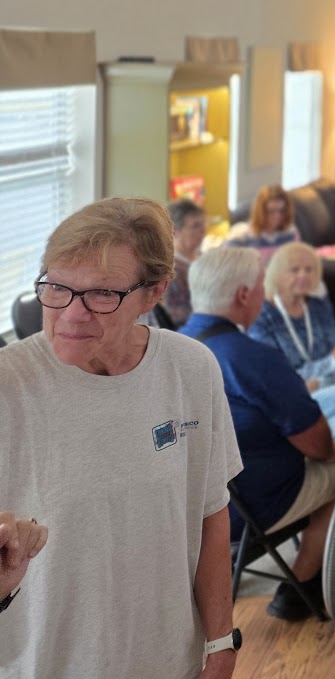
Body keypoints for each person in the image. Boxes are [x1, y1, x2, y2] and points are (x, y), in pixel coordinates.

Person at [0, 197, 242, 678]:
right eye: (57, 287)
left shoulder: (191, 369)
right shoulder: (9, 387)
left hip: (171, 662)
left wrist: (221, 643)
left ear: (153, 294)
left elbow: (210, 512)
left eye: (101, 294)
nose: (72, 314)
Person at [181, 247, 335, 621]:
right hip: (246, 506)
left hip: (183, 511)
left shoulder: (167, 352)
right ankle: (300, 587)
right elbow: (317, 443)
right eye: (262, 285)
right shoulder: (255, 358)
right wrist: (334, 452)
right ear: (244, 295)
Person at [248, 241, 335, 444]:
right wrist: (329, 364)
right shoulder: (262, 315)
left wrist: (317, 381)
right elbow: (278, 377)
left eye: (309, 269)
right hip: (289, 401)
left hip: (323, 388)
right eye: (295, 270)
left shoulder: (319, 306)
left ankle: (328, 460)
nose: (303, 275)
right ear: (278, 274)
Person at [162, 196, 206, 327]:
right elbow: (176, 316)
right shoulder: (171, 271)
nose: (203, 231)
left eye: (203, 224)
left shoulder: (204, 260)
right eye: (195, 226)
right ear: (175, 231)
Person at [225, 184, 301, 258]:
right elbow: (227, 259)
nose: (277, 216)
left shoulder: (291, 232)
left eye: (281, 211)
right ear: (261, 212)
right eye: (271, 211)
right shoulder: (241, 234)